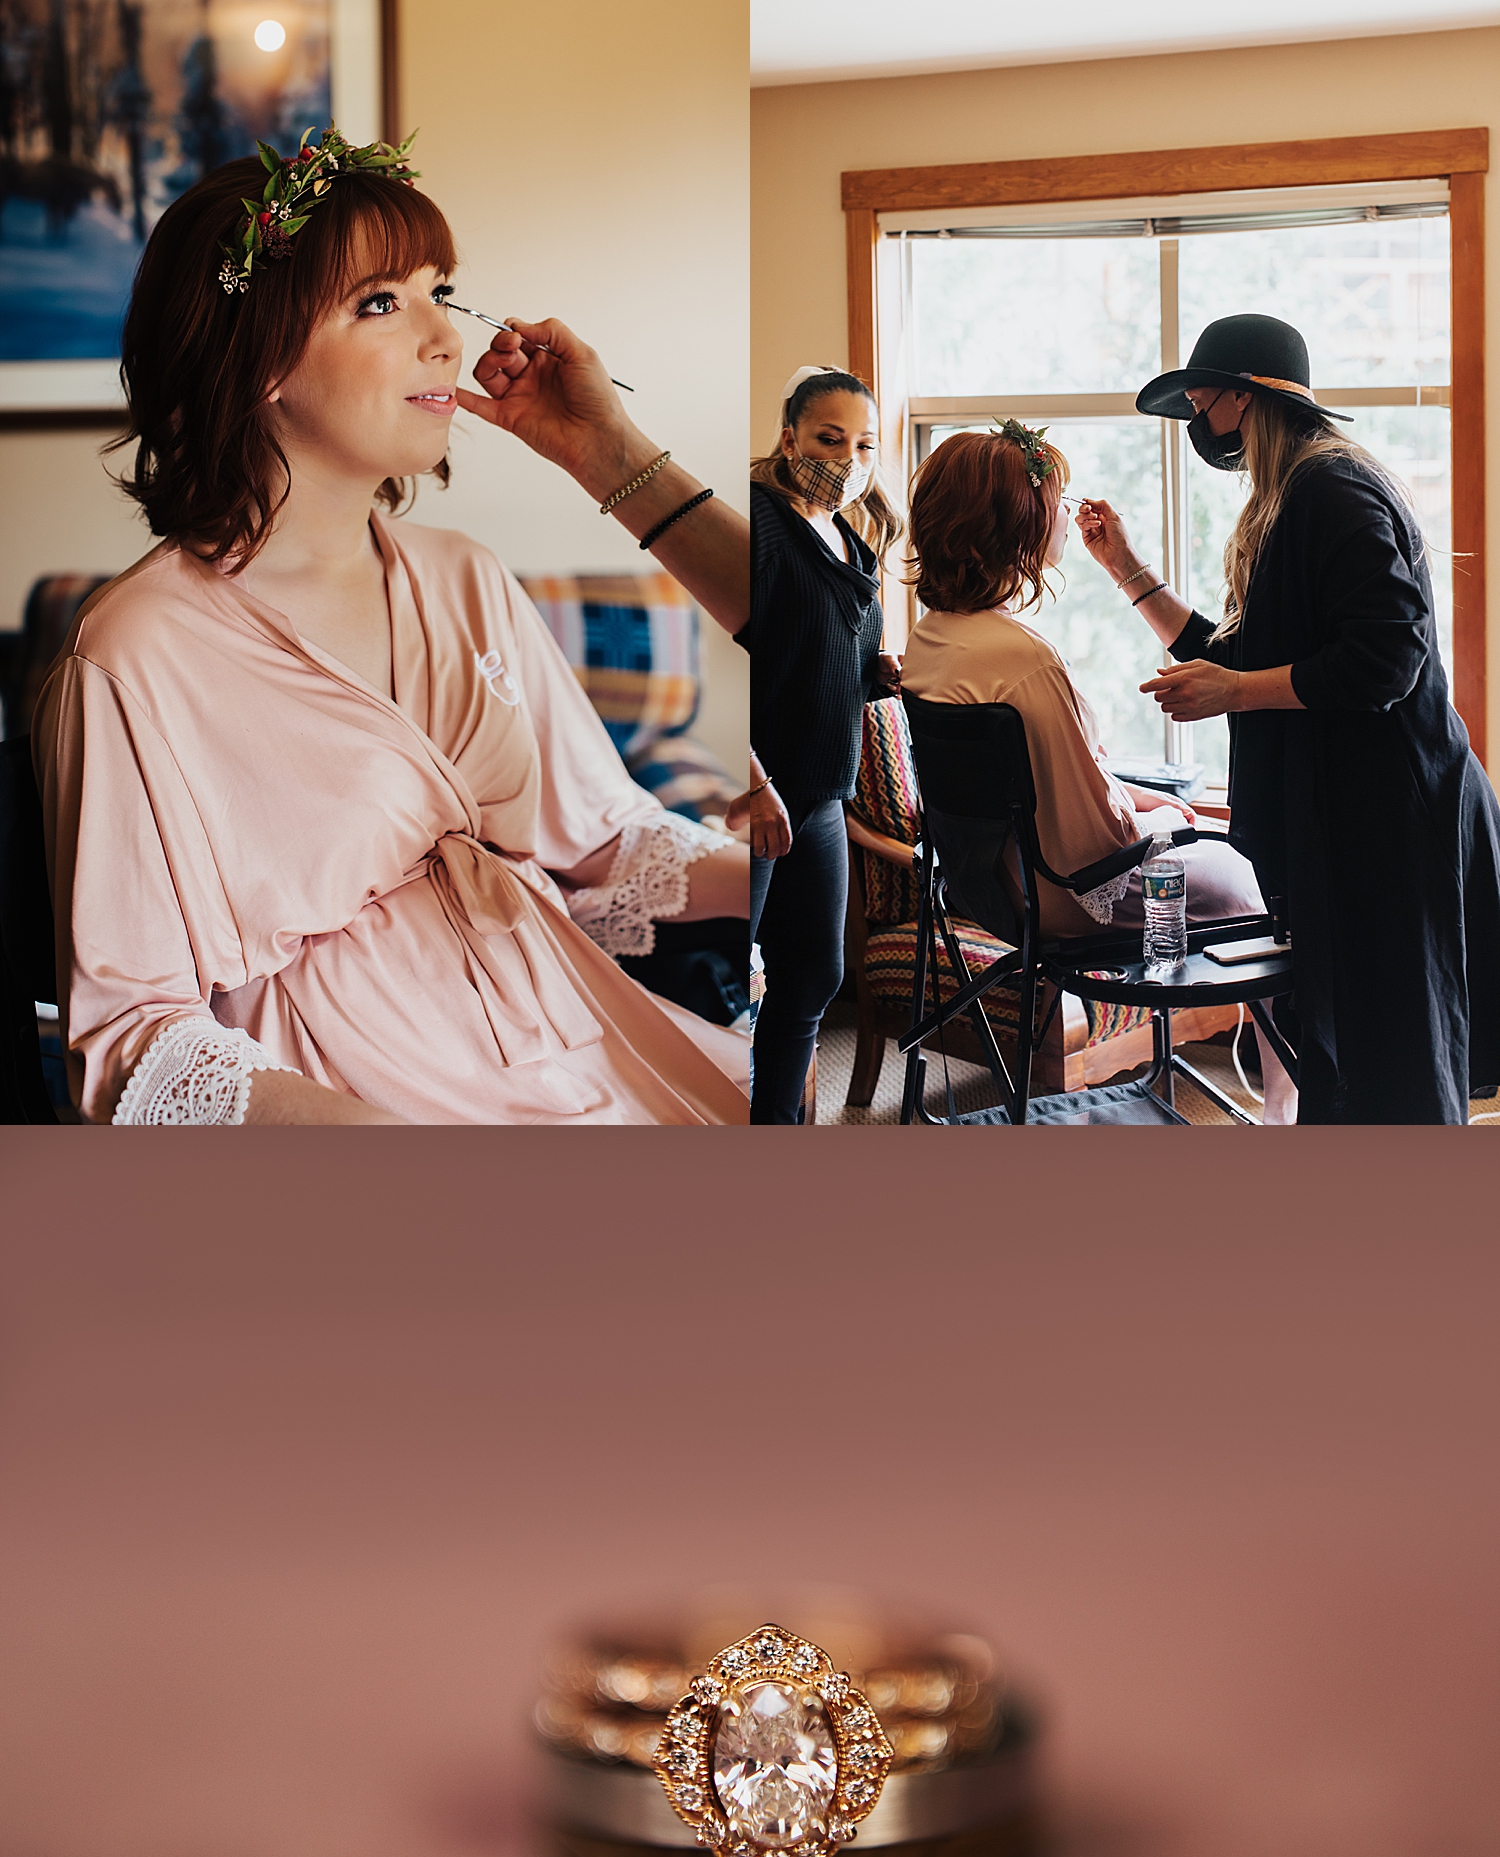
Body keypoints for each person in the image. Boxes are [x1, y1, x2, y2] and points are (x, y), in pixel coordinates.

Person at [32, 130, 750, 1125]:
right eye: (381, 302)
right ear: (260, 361)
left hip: (568, 1019)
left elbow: (603, 837)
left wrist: (795, 877)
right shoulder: (132, 656)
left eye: (438, 291)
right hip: (356, 1091)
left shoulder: (467, 579)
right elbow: (134, 1036)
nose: (447, 336)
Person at [1081, 312, 1500, 1125]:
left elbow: (1386, 660)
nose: (1198, 421)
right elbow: (1238, 654)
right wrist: (1126, 569)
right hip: (1354, 817)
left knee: (1395, 1064)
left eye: (1201, 401)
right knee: (1349, 1059)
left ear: (1247, 398)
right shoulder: (1294, 495)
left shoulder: (1331, 489)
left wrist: (1233, 693)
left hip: (1396, 819)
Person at [900, 421, 1297, 1122]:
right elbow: (1095, 844)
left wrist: (1145, 803)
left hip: (984, 886)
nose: (1064, 512)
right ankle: (1284, 1103)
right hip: (1061, 898)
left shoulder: (930, 640)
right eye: (1054, 501)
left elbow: (1048, 791)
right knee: (1257, 882)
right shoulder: (1025, 661)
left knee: (1184, 823)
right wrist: (1171, 818)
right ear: (1016, 526)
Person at [738, 365, 903, 1123]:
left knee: (812, 980)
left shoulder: (850, 537)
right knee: (727, 985)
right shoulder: (757, 526)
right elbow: (720, 661)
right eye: (829, 439)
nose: (847, 460)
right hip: (755, 797)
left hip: (823, 797)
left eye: (864, 444)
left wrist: (880, 672)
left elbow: (827, 654)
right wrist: (754, 781)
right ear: (789, 437)